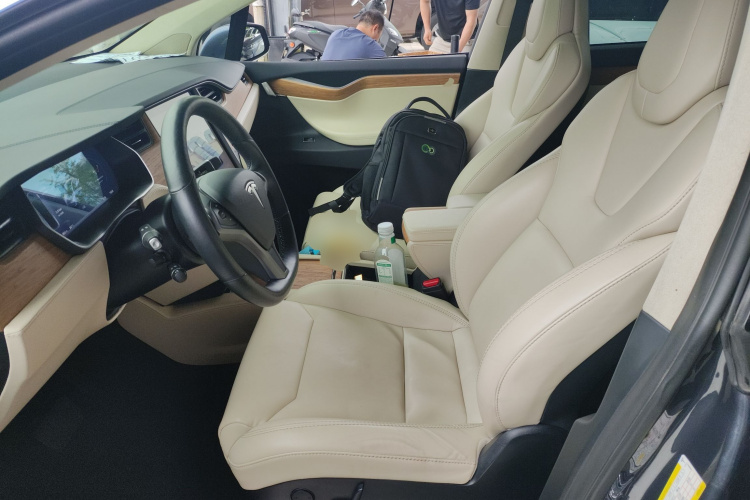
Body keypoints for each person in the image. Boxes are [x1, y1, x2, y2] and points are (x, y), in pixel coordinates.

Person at [321, 10, 387, 61]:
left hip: (323, 74)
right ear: (375, 28)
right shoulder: (371, 45)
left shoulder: (335, 34)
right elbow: (387, 69)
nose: (376, 40)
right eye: (378, 36)